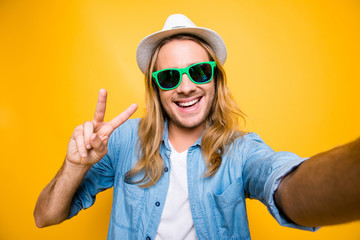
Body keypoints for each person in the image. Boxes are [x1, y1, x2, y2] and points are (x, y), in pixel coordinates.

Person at [34, 14, 360, 239]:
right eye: (170, 77)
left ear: (216, 79)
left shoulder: (241, 150)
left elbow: (287, 185)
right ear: (156, 89)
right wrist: (74, 166)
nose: (186, 87)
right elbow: (44, 217)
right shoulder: (119, 143)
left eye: (200, 72)